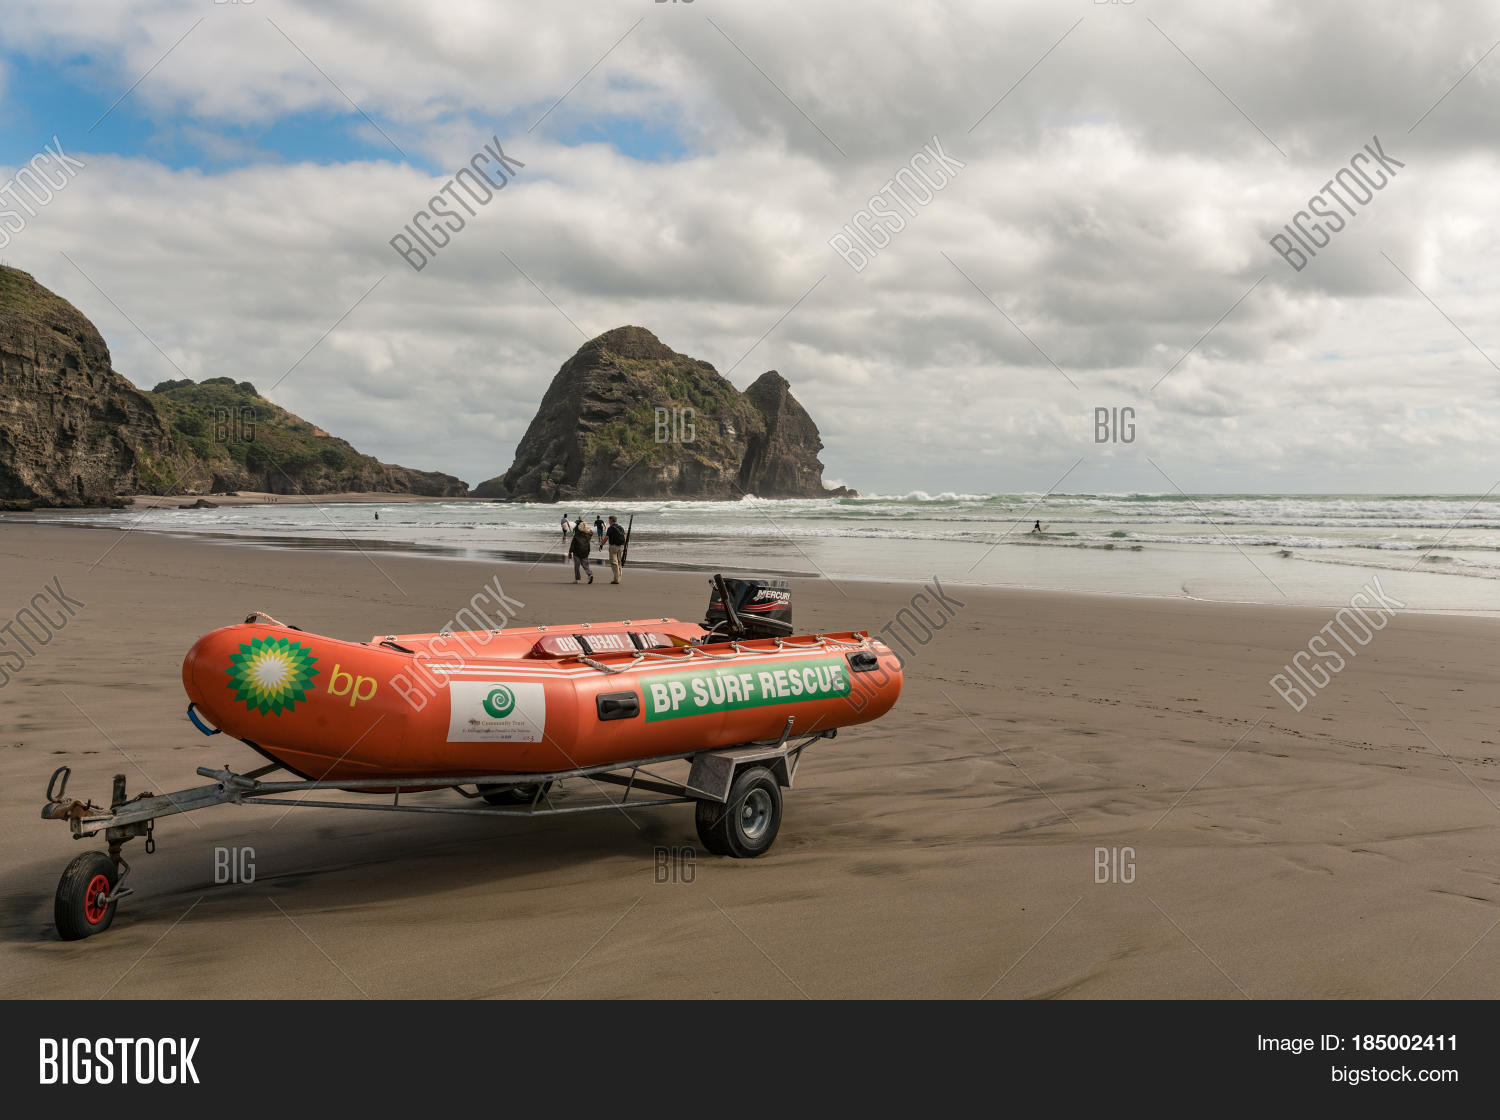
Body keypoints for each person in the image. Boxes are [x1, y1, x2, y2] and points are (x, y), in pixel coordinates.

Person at [569, 519, 594, 583]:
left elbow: (572, 544)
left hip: (576, 552)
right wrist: (587, 528)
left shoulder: (576, 535)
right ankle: (590, 574)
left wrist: (570, 552)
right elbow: (591, 532)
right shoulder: (588, 535)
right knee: (585, 565)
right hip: (585, 551)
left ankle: (577, 579)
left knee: (577, 566)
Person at [605, 515, 628, 584]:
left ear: (611, 520)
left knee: (614, 562)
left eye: (609, 520)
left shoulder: (610, 528)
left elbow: (606, 538)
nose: (608, 521)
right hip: (621, 546)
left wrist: (601, 544)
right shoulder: (620, 527)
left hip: (613, 546)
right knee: (619, 562)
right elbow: (624, 537)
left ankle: (616, 579)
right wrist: (625, 546)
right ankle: (619, 577)